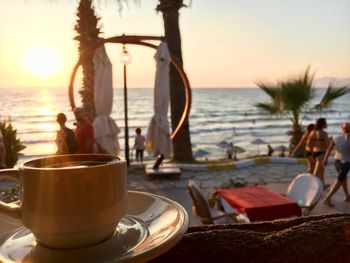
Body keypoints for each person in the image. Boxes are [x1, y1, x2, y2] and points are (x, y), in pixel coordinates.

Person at [322, 123, 350, 207]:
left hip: (337, 161)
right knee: (340, 179)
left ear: (342, 129)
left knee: (343, 178)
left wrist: (325, 159)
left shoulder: (336, 137)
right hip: (346, 162)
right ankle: (327, 198)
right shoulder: (344, 138)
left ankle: (347, 196)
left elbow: (329, 149)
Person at [306, 118, 330, 187]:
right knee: (315, 174)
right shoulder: (324, 133)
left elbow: (308, 145)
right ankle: (310, 187)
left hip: (314, 153)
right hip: (322, 153)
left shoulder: (312, 132)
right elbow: (328, 145)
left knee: (321, 171)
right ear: (322, 124)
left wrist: (312, 151)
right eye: (325, 122)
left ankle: (323, 184)